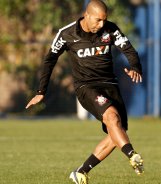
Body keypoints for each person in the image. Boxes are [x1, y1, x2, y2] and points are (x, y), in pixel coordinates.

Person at [25, 0, 144, 183]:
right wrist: (42, 90)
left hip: (110, 86)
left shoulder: (110, 29)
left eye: (104, 20)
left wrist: (135, 67)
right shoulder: (67, 34)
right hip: (86, 87)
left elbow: (129, 50)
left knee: (117, 133)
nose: (101, 25)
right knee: (112, 118)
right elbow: (50, 60)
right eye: (98, 20)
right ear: (86, 15)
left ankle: (81, 171)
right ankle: (132, 154)